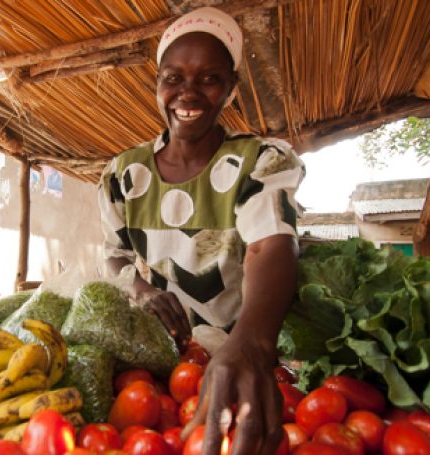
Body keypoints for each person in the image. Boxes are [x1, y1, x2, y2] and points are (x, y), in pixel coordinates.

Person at [98, 7, 304, 455]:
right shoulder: (123, 173)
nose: (187, 93)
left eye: (208, 79)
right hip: (153, 368)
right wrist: (143, 292)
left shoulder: (260, 161)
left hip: (240, 360)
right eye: (173, 78)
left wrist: (251, 342)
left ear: (230, 89)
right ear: (157, 86)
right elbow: (114, 253)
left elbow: (272, 243)